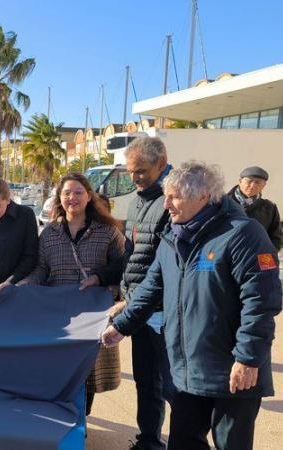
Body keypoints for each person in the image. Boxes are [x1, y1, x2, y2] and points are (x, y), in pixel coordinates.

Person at [103, 161, 282, 450]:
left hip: (233, 372)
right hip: (187, 371)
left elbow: (262, 303)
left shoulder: (244, 234)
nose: (167, 205)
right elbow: (150, 290)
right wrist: (121, 327)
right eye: (166, 196)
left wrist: (248, 359)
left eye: (175, 197)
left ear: (203, 196)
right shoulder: (172, 237)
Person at [19, 172, 126, 415]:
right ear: (60, 198)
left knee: (88, 374)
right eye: (67, 193)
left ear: (89, 197)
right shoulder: (49, 234)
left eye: (78, 192)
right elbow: (41, 270)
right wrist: (22, 286)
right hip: (60, 317)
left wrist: (106, 283)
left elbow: (124, 266)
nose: (72, 197)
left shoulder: (108, 232)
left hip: (94, 316)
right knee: (60, 371)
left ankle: (81, 425)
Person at [117, 137, 175, 450]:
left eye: (140, 171)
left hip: (163, 310)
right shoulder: (138, 198)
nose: (134, 177)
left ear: (161, 162)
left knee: (174, 386)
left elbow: (166, 264)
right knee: (145, 382)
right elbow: (132, 252)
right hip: (139, 307)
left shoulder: (172, 198)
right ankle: (149, 440)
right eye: (130, 172)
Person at [227, 166, 281, 250]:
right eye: (249, 181)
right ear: (240, 181)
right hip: (225, 257)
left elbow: (275, 237)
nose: (252, 185)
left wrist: (268, 254)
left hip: (255, 257)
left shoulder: (269, 208)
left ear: (264, 186)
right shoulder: (221, 203)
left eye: (258, 182)